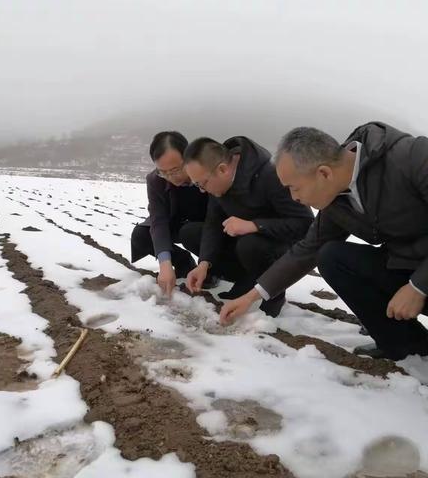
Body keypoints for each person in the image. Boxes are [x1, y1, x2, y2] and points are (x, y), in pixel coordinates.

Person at [220, 122, 428, 360]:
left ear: (324, 173)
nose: (293, 197)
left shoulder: (413, 157)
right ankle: (407, 346)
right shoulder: (336, 198)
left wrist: (417, 286)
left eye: (294, 188)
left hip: (420, 277)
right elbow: (307, 249)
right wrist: (250, 297)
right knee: (332, 256)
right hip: (406, 267)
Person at [182, 136, 314, 317]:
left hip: (278, 247)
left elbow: (305, 224)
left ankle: (273, 296)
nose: (202, 190)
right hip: (243, 243)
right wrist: (204, 263)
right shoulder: (216, 183)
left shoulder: (270, 174)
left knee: (250, 244)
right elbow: (213, 223)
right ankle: (246, 282)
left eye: (202, 184)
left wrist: (255, 225)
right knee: (190, 233)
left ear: (222, 169)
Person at [131, 131, 208, 296]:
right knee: (141, 234)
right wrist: (164, 264)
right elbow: (158, 219)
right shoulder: (155, 180)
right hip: (176, 223)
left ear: (188, 157)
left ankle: (212, 269)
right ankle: (183, 261)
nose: (171, 177)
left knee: (191, 232)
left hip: (204, 227)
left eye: (175, 170)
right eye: (163, 172)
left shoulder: (206, 173)